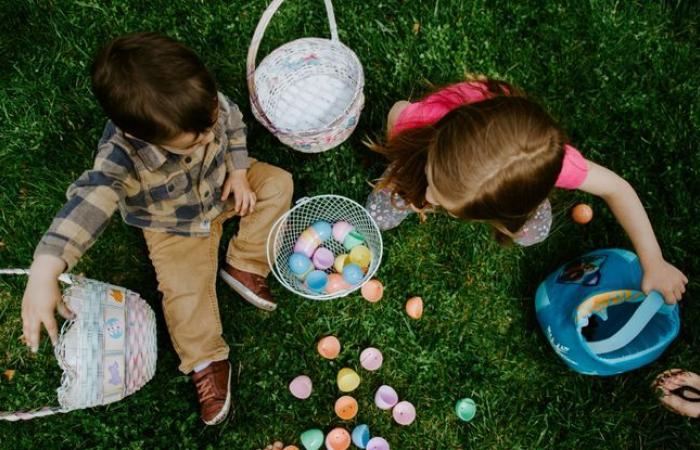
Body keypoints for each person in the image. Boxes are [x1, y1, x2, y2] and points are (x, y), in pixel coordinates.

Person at [20, 32, 293, 425]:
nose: (203, 141)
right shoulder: (121, 157)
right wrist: (47, 266)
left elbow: (232, 124)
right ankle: (205, 359)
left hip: (224, 187)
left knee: (279, 184)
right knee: (184, 293)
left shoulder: (203, 105)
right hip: (172, 224)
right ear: (136, 134)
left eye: (208, 127)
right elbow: (91, 201)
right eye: (192, 142)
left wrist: (237, 170)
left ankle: (245, 263)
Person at [366, 78, 687, 303]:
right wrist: (413, 166)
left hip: (504, 170)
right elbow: (398, 111)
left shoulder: (553, 164)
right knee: (394, 197)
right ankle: (413, 180)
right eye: (434, 180)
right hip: (441, 137)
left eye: (443, 201)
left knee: (532, 232)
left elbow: (617, 188)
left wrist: (653, 261)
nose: (431, 200)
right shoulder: (423, 122)